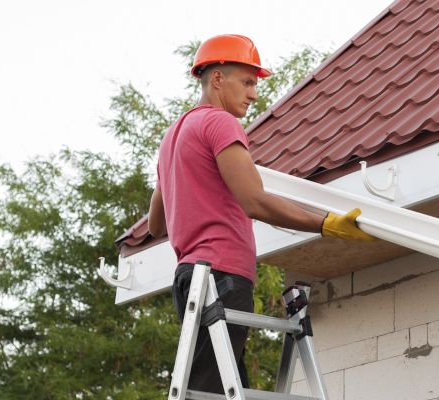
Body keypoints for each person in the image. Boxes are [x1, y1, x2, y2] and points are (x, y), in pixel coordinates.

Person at [147, 34, 374, 393]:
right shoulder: (219, 123)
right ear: (218, 79)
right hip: (220, 277)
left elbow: (155, 224)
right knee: (208, 392)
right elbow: (255, 201)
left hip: (190, 280)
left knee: (226, 387)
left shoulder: (173, 136)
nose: (254, 94)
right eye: (248, 82)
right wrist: (324, 222)